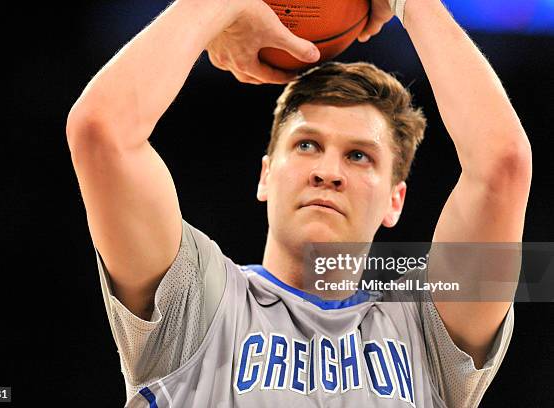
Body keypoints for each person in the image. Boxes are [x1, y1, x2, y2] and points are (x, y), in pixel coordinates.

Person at [66, 0, 532, 406]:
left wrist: (414, 2)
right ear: (266, 174)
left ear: (396, 200)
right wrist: (218, 3)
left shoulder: (429, 330)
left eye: (358, 156)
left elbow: (502, 167)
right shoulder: (196, 302)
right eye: (307, 145)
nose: (327, 172)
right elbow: (102, 131)